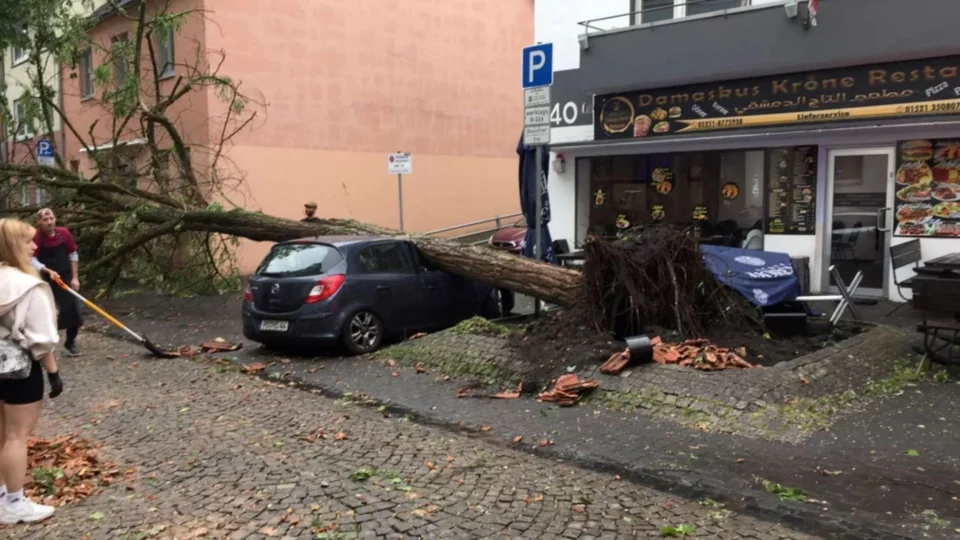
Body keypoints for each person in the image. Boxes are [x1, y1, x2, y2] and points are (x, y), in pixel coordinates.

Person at [0, 218, 63, 524]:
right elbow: (43, 339)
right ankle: (14, 502)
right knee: (16, 436)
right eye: (27, 241)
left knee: (0, 433)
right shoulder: (30, 287)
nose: (35, 246)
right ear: (14, 246)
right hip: (20, 372)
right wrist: (53, 372)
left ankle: (1, 495)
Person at [30, 209, 83, 357]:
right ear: (39, 222)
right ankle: (44, 345)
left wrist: (75, 277)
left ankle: (70, 342)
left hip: (64, 277)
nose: (49, 222)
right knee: (46, 313)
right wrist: (47, 271)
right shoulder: (36, 237)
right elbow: (31, 260)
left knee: (75, 309)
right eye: (45, 220)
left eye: (51, 218)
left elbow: (73, 254)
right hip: (43, 279)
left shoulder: (64, 233)